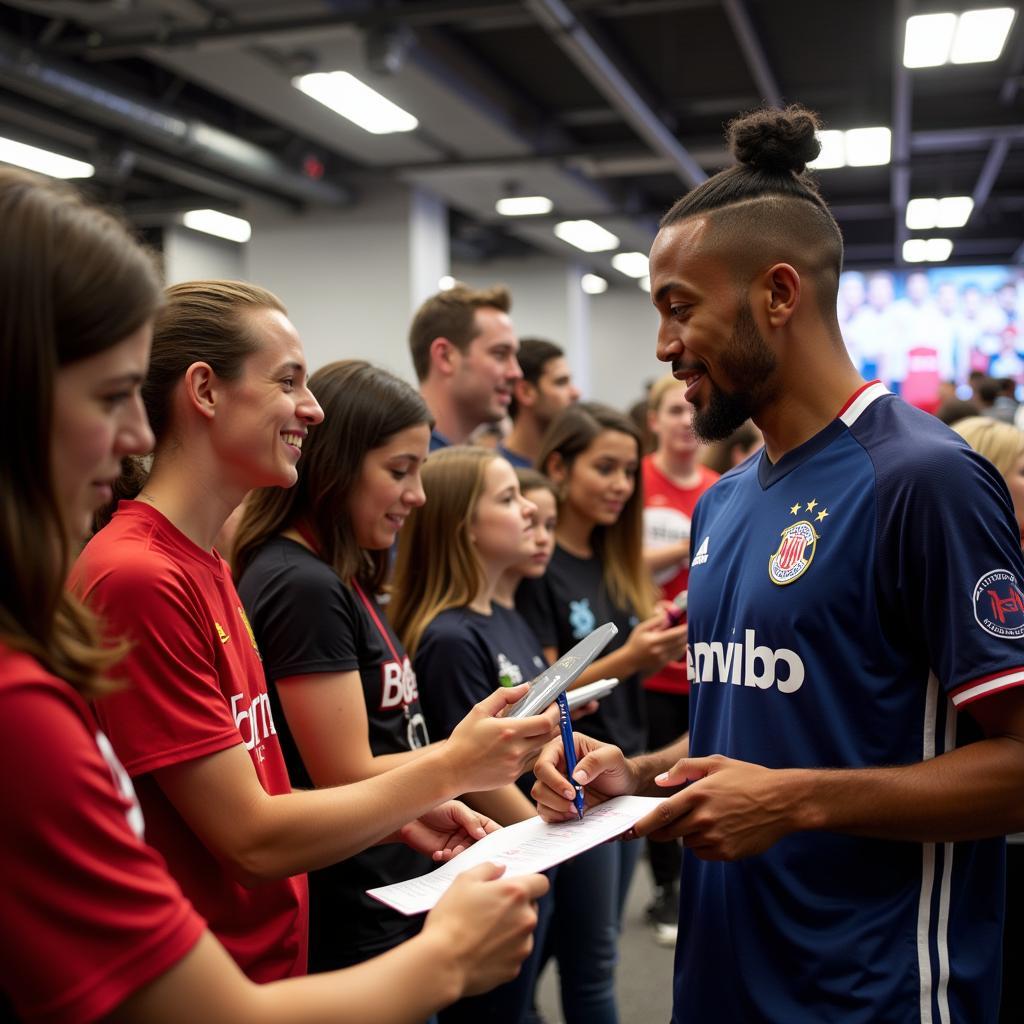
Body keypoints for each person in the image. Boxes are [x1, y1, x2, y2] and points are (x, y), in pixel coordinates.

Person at [0, 167, 547, 1024]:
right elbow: (250, 838)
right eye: (289, 380)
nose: (313, 409)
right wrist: (451, 777)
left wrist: (402, 806)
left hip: (266, 960)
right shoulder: (138, 575)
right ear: (207, 392)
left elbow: (265, 791)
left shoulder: (210, 563)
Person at [532, 105, 1024, 1024]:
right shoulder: (727, 500)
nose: (663, 345)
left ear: (779, 294)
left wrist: (797, 803)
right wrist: (633, 777)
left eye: (680, 307)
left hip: (872, 993)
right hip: (722, 983)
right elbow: (759, 730)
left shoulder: (923, 479)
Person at [231, 358, 557, 974]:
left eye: (421, 471)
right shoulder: (301, 582)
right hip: (352, 898)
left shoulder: (340, 575)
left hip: (386, 884)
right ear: (337, 464)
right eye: (399, 471)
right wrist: (465, 756)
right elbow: (343, 772)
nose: (418, 495)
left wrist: (473, 750)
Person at [517, 402, 687, 1024]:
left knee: (596, 954)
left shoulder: (613, 557)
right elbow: (541, 685)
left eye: (627, 473)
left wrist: (654, 639)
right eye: (605, 469)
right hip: (567, 781)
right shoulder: (539, 565)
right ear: (559, 467)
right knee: (549, 961)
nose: (620, 485)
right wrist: (634, 655)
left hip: (619, 770)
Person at [388, 446, 552, 1023]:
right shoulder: (451, 637)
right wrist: (551, 834)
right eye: (508, 499)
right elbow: (476, 774)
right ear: (466, 529)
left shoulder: (503, 612)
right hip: (505, 850)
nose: (529, 510)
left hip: (529, 842)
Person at [638, 374, 718, 944]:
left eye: (688, 412)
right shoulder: (639, 480)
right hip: (648, 666)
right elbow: (626, 561)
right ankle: (665, 886)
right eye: (672, 411)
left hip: (706, 667)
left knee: (695, 775)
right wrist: (690, 545)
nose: (684, 422)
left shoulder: (718, 485)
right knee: (652, 778)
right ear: (654, 420)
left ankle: (690, 882)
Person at [409, 282, 522, 449]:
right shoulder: (410, 464)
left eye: (514, 356)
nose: (516, 373)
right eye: (499, 354)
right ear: (445, 356)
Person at [501, 338, 581, 467]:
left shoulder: (575, 466)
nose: (576, 393)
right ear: (526, 392)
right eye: (561, 382)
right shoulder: (494, 472)